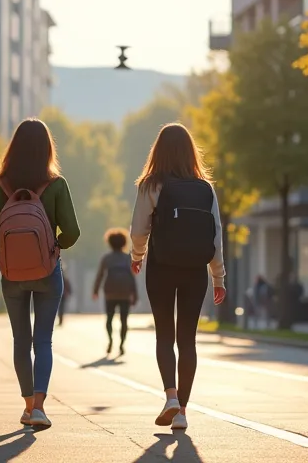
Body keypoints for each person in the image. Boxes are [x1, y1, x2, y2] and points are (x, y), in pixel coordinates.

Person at [0, 118, 81, 432]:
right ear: (48, 147)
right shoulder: (56, 184)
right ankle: (39, 406)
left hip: (12, 275)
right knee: (44, 341)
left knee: (21, 340)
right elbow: (73, 232)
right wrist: (55, 245)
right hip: (48, 272)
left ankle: (26, 406)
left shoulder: (1, 185)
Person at [129, 123, 226, 432]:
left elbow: (138, 229)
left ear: (157, 151)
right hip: (195, 271)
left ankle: (170, 396)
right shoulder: (205, 187)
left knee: (164, 335)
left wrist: (137, 257)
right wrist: (219, 278)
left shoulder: (150, 184)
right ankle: (182, 411)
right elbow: (216, 235)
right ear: (190, 152)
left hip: (160, 266)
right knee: (188, 339)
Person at [92, 228, 138, 356]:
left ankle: (110, 340)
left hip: (110, 293)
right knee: (124, 320)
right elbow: (132, 277)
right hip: (125, 293)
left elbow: (100, 275)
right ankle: (122, 345)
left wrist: (95, 291)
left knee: (109, 319)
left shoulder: (106, 258)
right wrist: (135, 295)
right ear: (124, 242)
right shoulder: (128, 258)